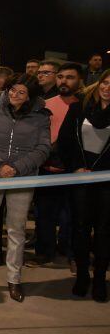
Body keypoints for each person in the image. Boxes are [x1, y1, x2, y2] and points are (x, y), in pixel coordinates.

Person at [0, 73, 50, 302]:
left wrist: (17, 168)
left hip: (22, 177)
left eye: (21, 93)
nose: (15, 95)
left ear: (30, 97)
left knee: (16, 229)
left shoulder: (40, 116)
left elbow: (43, 148)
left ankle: (14, 279)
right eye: (12, 90)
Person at [57, 69, 110, 302]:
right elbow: (65, 142)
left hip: (106, 180)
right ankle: (81, 276)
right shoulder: (78, 109)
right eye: (105, 83)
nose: (107, 88)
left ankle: (99, 279)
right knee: (80, 229)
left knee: (104, 231)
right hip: (80, 176)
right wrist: (76, 167)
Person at [28, 62, 83, 268]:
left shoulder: (85, 105)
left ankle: (71, 252)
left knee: (73, 215)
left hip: (74, 169)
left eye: (69, 77)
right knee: (44, 214)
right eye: (60, 77)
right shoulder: (46, 104)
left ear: (79, 80)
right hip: (47, 166)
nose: (63, 81)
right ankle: (44, 252)